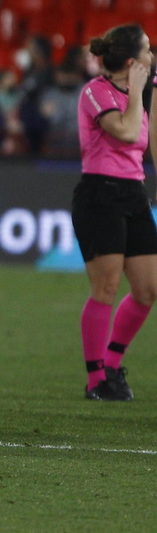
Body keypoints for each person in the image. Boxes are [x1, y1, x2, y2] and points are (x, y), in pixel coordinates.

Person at [74, 25, 156, 402]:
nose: (152, 57)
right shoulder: (95, 92)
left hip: (134, 194)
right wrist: (138, 93)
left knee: (147, 290)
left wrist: (148, 92)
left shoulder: (143, 91)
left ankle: (111, 363)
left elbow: (150, 143)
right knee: (105, 289)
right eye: (148, 50)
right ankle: (96, 382)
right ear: (131, 61)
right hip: (100, 195)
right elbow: (124, 131)